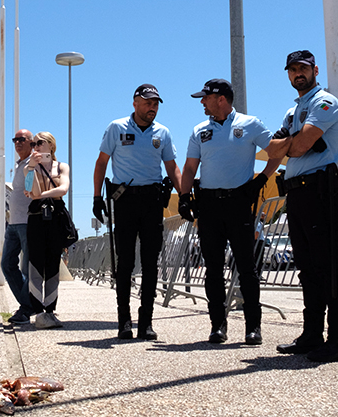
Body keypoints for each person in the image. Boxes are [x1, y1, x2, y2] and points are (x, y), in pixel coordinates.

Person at [265, 50, 338, 363]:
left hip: (319, 189)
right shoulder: (294, 111)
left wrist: (295, 143)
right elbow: (273, 149)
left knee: (328, 266)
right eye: (292, 70)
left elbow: (297, 146)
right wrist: (295, 142)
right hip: (297, 194)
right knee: (306, 269)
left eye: (303, 68)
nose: (297, 74)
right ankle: (312, 334)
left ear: (315, 70)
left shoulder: (323, 102)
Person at [179, 78, 278, 345]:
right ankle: (217, 326)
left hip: (238, 202)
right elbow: (189, 168)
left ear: (221, 99)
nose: (202, 102)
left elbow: (277, 153)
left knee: (246, 267)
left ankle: (253, 327)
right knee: (212, 268)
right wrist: (184, 197)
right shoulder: (200, 130)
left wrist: (260, 180)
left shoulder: (250, 124)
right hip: (209, 204)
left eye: (205, 98)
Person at [92, 84, 182, 340]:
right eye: (148, 102)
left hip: (152, 201)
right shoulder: (117, 127)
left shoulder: (162, 133)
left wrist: (184, 194)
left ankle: (146, 321)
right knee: (126, 262)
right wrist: (97, 196)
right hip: (125, 201)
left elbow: (172, 167)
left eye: (156, 103)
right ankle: (124, 321)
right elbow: (101, 163)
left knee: (152, 262)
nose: (152, 107)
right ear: (135, 103)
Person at [25, 132, 71, 329]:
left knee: (53, 264)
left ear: (51, 145)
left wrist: (42, 195)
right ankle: (38, 312)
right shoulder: (31, 167)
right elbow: (30, 192)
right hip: (36, 218)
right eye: (33, 143)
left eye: (39, 143)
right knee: (35, 264)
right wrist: (31, 168)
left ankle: (50, 310)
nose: (35, 146)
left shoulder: (61, 166)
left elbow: (63, 189)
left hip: (55, 218)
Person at [1, 129, 36, 324]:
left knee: (27, 269)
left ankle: (26, 308)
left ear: (31, 142)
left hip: (28, 222)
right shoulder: (18, 164)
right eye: (15, 140)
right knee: (7, 264)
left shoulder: (34, 162)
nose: (17, 143)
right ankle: (28, 304)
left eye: (22, 139)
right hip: (13, 223)